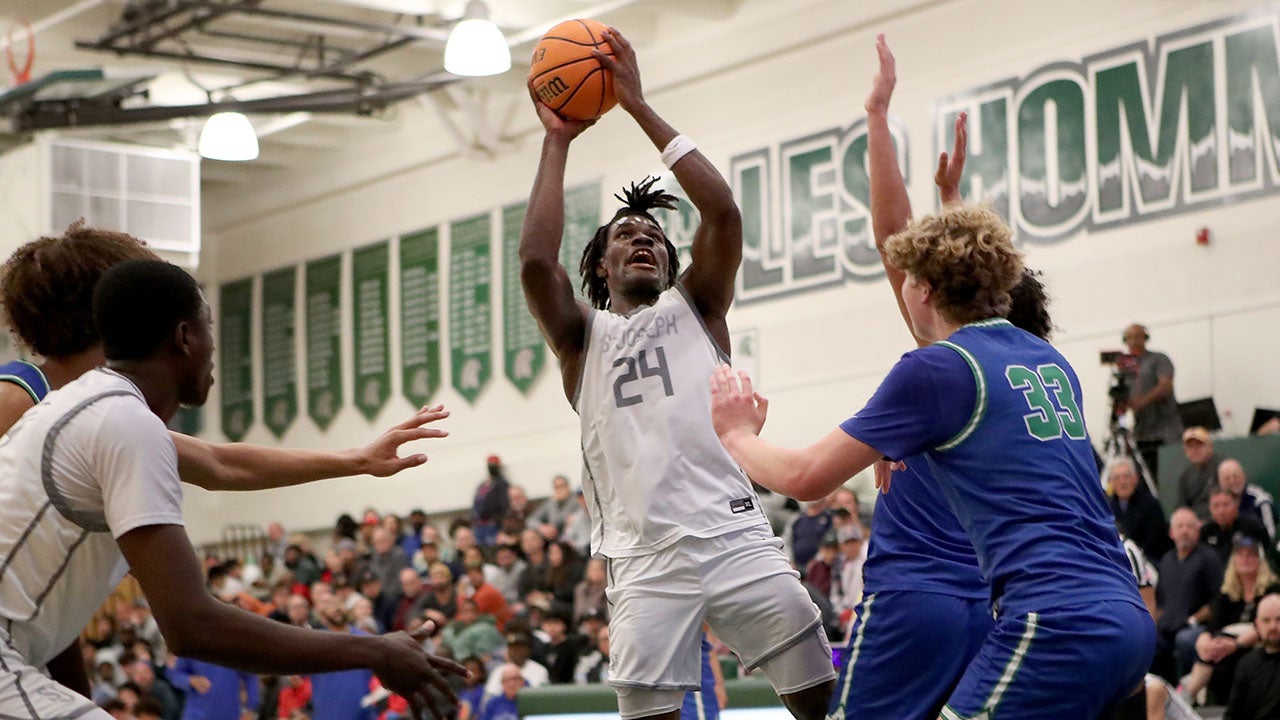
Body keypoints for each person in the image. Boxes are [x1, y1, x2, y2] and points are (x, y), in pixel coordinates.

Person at [709, 41, 1152, 720]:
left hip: (1007, 614)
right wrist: (950, 201)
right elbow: (927, 256)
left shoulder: (938, 373)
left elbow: (805, 478)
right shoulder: (1045, 365)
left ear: (922, 291)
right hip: (1115, 614)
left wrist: (736, 432)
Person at [518, 25, 834, 720]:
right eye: (626, 235)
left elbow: (721, 211)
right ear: (600, 266)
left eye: (656, 237)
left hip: (732, 534)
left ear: (670, 263)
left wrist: (635, 104)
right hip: (641, 559)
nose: (644, 239)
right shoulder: (582, 340)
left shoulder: (700, 306)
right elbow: (536, 265)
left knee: (821, 702)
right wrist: (557, 141)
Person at [0, 225, 455, 701]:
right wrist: (373, 651)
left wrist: (355, 459)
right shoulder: (52, 401)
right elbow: (192, 624)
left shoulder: (100, 412)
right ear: (179, 333)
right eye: (208, 324)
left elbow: (219, 463)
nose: (215, 344)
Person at [820, 35, 1062, 720]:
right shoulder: (1033, 375)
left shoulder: (947, 372)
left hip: (913, 601)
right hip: (994, 608)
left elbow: (895, 237)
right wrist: (952, 196)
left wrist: (876, 117)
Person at [1180, 534, 1279, 705]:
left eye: (1250, 555)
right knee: (1210, 652)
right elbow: (1212, 627)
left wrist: (1236, 644)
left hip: (1261, 644)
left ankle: (1188, 695)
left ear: (1260, 560)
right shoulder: (1226, 593)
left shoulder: (1273, 589)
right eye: (1240, 555)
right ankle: (1187, 697)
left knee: (1222, 659)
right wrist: (1205, 641)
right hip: (1226, 648)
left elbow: (1271, 625)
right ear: (1233, 561)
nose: (1245, 559)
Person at [1121, 322, 1182, 481]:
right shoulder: (1125, 367)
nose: (1133, 341)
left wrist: (1143, 400)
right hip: (1142, 432)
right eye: (1130, 337)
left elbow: (1166, 384)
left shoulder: (1158, 359)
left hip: (1166, 430)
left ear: (1145, 338)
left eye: (1138, 336)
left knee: (1170, 477)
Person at [1224, 592, 1280, 719]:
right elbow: (1233, 715)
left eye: (1279, 619)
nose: (1273, 626)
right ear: (1257, 625)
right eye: (1266, 620)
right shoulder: (1247, 664)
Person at [1110, 457, 1173, 563]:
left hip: (1147, 562)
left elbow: (1156, 543)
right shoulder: (1107, 507)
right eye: (1117, 478)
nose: (1122, 482)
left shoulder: (1150, 505)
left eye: (1126, 476)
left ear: (1135, 478)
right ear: (1111, 482)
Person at [1217, 460, 1277, 544]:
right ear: (1220, 482)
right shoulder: (1217, 504)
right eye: (1227, 479)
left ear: (1244, 476)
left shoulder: (1260, 500)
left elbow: (1271, 536)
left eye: (1236, 476)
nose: (1232, 481)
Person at [1177, 428, 1221, 522]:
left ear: (1210, 447)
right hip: (1193, 524)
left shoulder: (1221, 467)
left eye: (1199, 445)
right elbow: (1181, 506)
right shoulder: (1185, 475)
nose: (1194, 450)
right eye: (1190, 447)